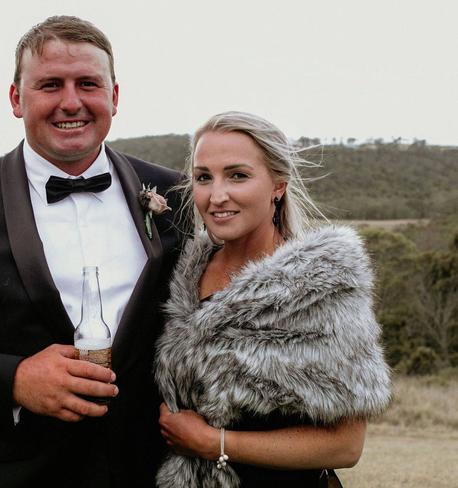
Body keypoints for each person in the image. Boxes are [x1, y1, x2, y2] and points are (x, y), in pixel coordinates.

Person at [0, 16, 184, 488]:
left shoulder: (176, 194)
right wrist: (16, 380)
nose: (71, 101)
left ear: (115, 97)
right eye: (49, 84)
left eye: (88, 83)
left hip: (155, 474)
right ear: (16, 98)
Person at [154, 111, 391, 487]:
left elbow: (345, 446)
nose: (217, 196)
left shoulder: (319, 287)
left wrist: (213, 443)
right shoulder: (180, 272)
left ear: (278, 185)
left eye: (238, 175)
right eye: (203, 177)